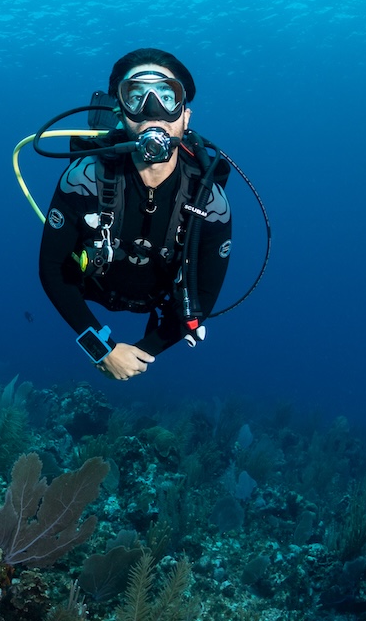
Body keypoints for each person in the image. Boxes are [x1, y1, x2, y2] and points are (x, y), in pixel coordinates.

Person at [38, 49, 232, 381]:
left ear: (185, 116)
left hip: (158, 299)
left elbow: (204, 297)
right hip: (93, 286)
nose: (152, 111)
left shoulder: (210, 202)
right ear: (121, 112)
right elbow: (51, 269)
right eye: (136, 97)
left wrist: (146, 350)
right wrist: (104, 350)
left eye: (167, 96)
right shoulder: (83, 180)